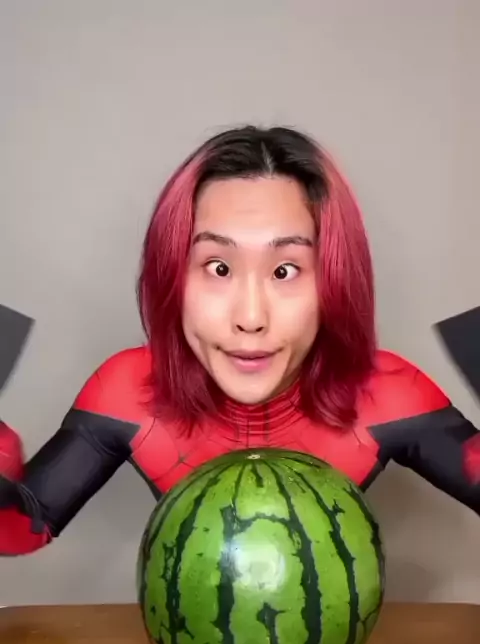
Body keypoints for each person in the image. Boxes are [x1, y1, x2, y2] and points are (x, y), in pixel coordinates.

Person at [0, 125, 478, 556]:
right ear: (172, 278)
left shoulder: (390, 391)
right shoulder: (125, 388)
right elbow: (21, 527)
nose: (250, 318)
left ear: (334, 281)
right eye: (218, 268)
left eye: (285, 271)